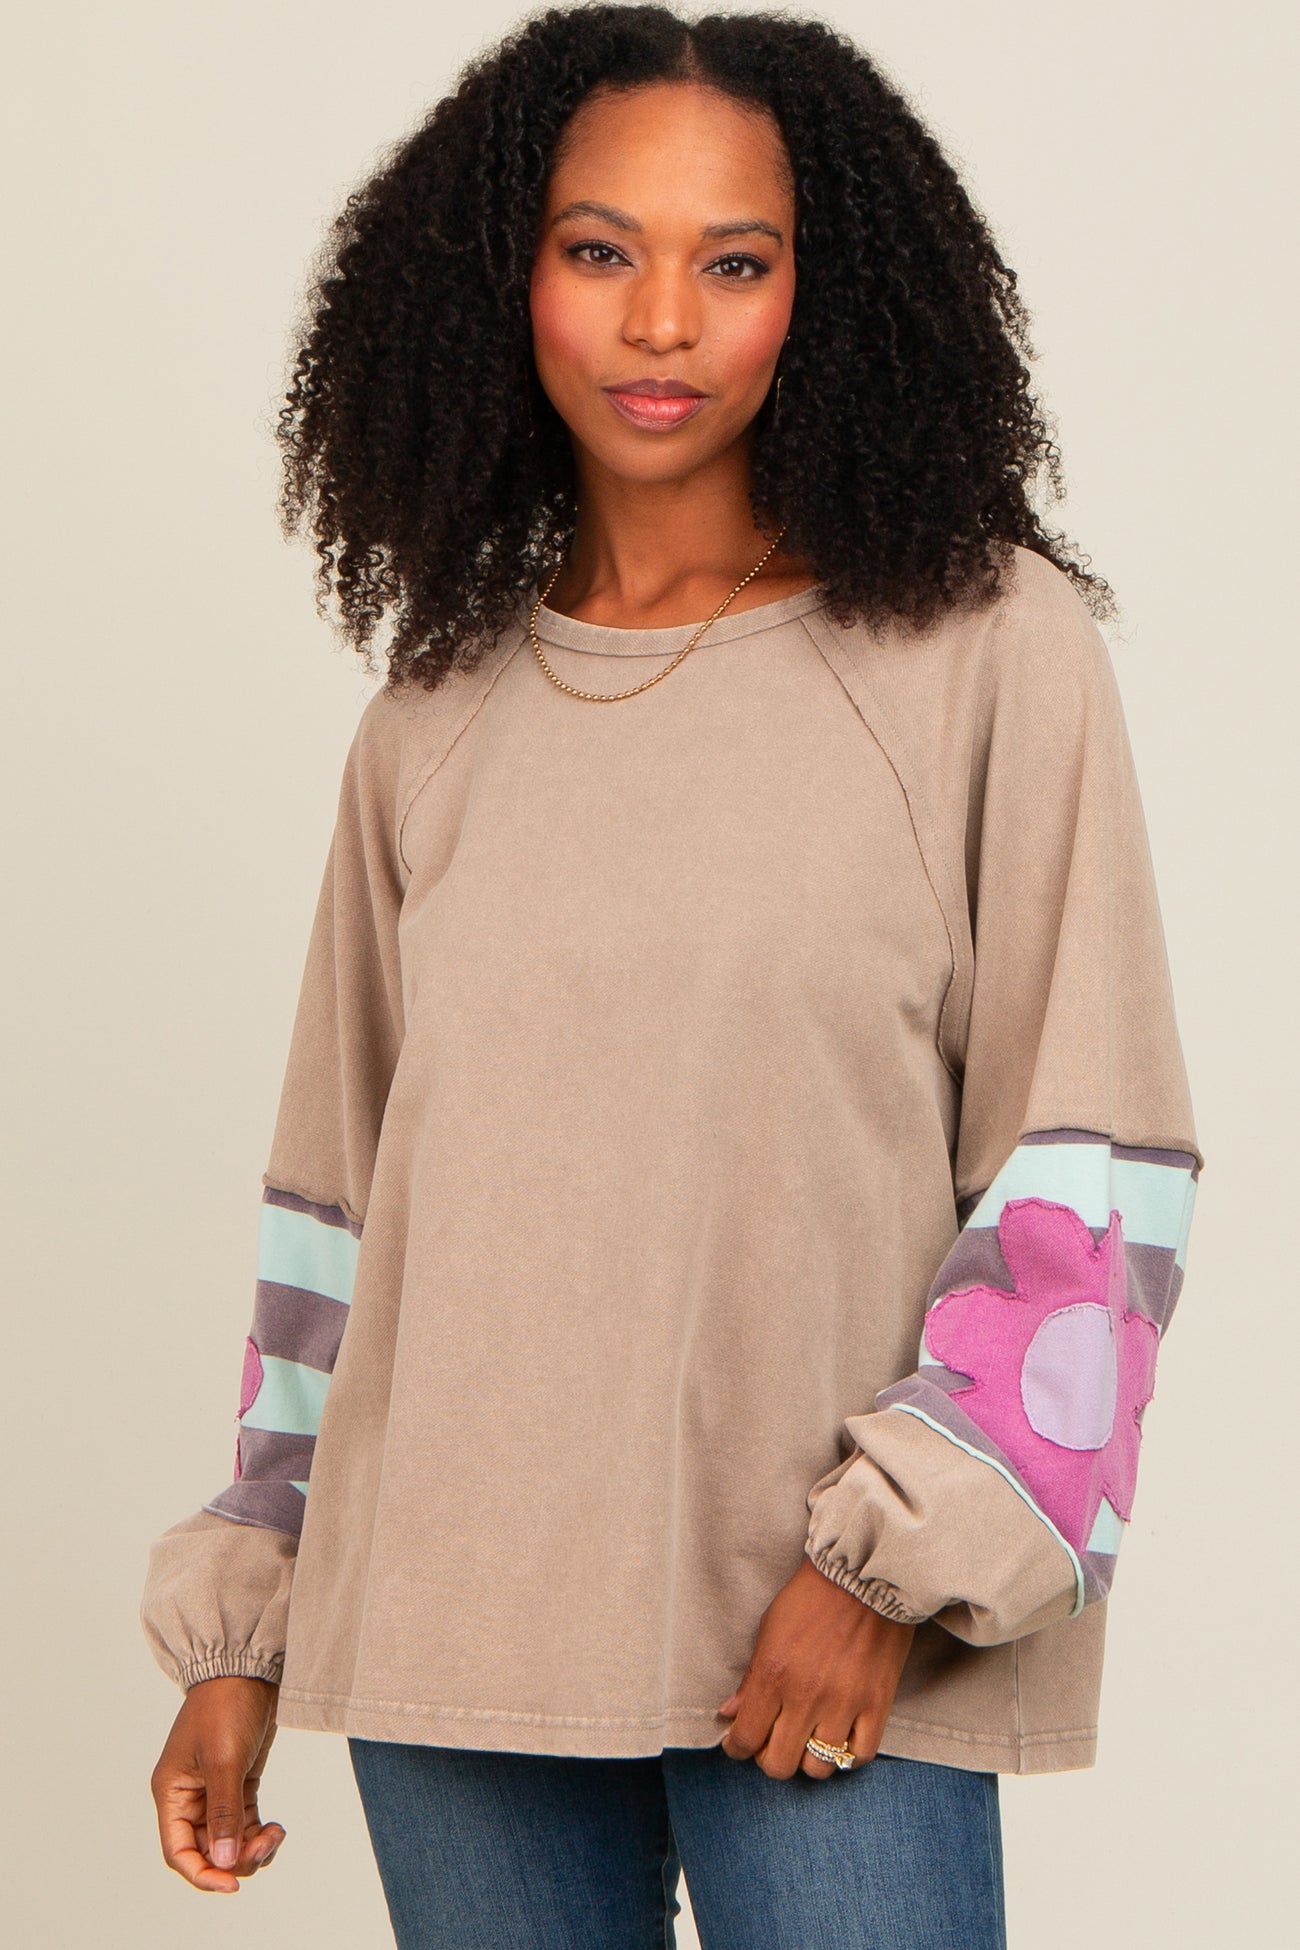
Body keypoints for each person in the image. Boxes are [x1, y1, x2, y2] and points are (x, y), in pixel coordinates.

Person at [140, 7, 1201, 1946]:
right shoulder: (432, 716)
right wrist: (248, 1622)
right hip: (448, 1632)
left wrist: (887, 1569)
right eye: (598, 248)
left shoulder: (982, 648)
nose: (659, 322)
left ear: (822, 288)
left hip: (823, 1639)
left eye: (733, 261)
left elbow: (1092, 1167)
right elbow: (339, 1218)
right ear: (504, 274)